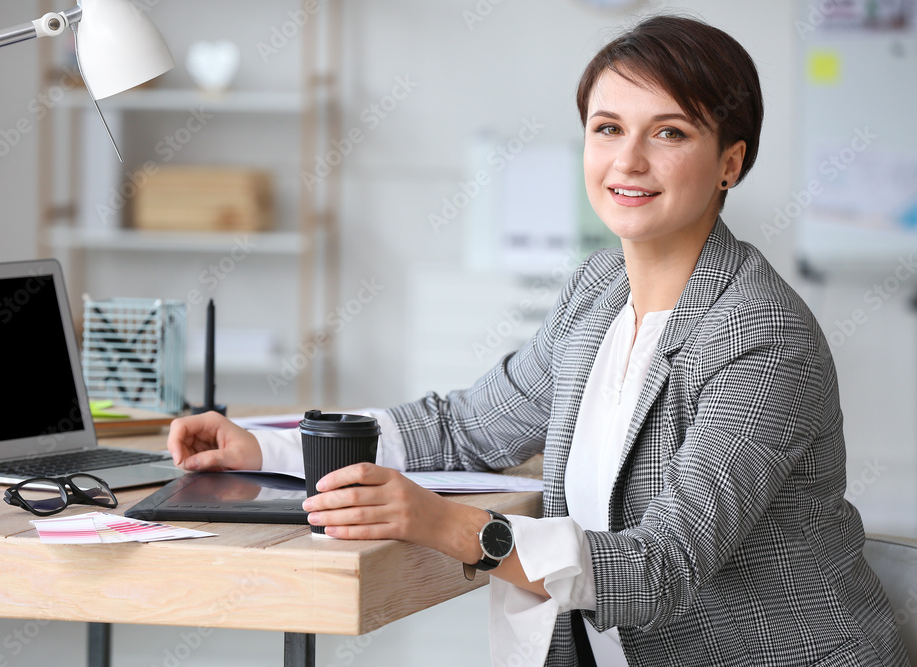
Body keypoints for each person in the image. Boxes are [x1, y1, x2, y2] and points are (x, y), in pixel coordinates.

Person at [167, 14, 908, 667]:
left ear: (730, 163)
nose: (628, 161)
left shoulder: (762, 336)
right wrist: (261, 448)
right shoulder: (599, 289)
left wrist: (450, 525)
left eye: (670, 132)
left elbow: (659, 567)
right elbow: (465, 427)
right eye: (608, 127)